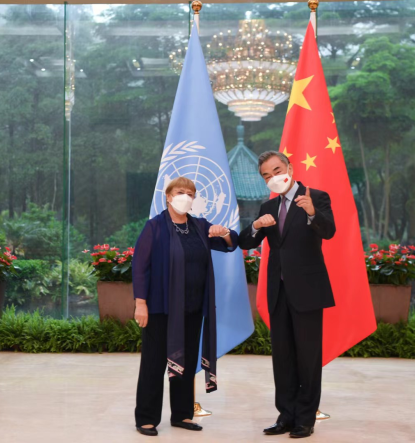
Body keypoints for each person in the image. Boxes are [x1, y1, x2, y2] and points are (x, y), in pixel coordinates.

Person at [239, 151, 336, 439]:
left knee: (307, 358)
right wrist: (256, 225)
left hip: (308, 291)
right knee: (282, 358)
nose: (273, 178)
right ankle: (286, 415)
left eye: (276, 170)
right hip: (278, 292)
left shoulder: (316, 196)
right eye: (266, 176)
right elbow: (246, 241)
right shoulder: (267, 205)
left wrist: (311, 213)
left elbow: (329, 231)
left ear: (290, 168)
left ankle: (305, 419)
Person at [132, 176, 238, 437]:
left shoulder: (200, 226)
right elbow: (140, 266)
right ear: (168, 196)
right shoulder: (155, 227)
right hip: (160, 308)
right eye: (180, 192)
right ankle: (146, 418)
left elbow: (232, 243)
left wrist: (223, 232)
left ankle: (182, 415)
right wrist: (140, 304)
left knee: (186, 363)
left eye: (190, 193)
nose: (185, 197)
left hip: (192, 308)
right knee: (155, 363)